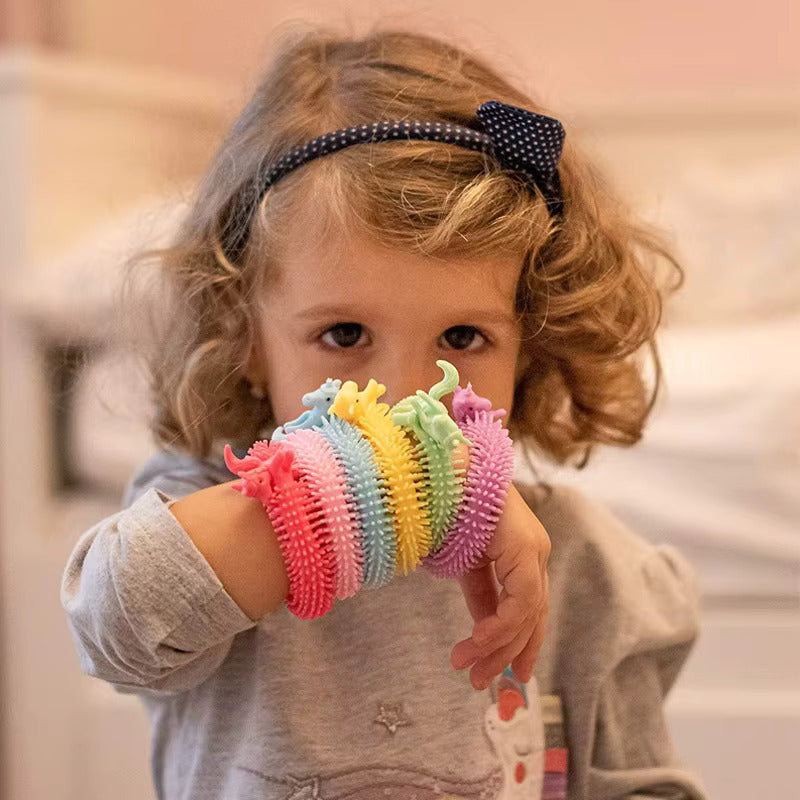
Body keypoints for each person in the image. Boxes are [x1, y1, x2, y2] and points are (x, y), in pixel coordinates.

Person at [61, 23, 706, 800]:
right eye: (343, 334)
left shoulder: (585, 569)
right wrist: (372, 493)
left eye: (463, 336)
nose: (405, 398)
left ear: (529, 345)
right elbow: (117, 627)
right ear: (246, 340)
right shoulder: (200, 515)